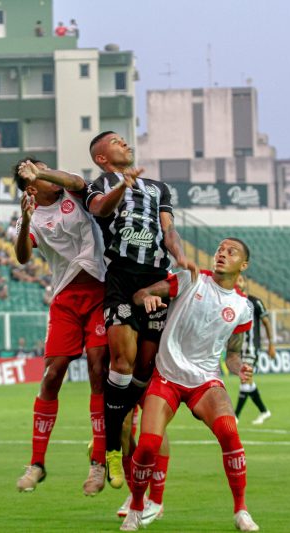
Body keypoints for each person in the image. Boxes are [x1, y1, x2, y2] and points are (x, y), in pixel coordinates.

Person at [120, 237, 259, 532]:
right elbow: (140, 294)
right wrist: (147, 298)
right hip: (167, 376)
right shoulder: (191, 278)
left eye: (230, 252)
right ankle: (135, 507)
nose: (222, 253)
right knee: (147, 445)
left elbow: (232, 354)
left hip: (205, 381)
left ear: (243, 265)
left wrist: (240, 368)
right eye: (219, 249)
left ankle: (241, 510)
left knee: (229, 432)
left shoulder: (243, 308)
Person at [85, 131, 197, 489]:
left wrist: (179, 254)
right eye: (117, 142)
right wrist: (123, 185)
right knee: (121, 363)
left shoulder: (158, 187)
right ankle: (112, 452)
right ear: (102, 157)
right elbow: (101, 209)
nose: (127, 145)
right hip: (120, 278)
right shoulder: (99, 184)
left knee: (146, 371)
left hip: (155, 280)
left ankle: (109, 434)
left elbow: (168, 230)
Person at [12, 158, 110, 495]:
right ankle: (36, 463)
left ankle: (98, 463)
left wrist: (38, 171)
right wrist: (25, 220)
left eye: (45, 169)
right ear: (30, 189)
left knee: (99, 368)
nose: (47, 173)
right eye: (38, 172)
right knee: (53, 374)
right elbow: (23, 256)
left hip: (99, 291)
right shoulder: (33, 216)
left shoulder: (72, 192)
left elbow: (77, 180)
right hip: (66, 299)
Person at [234, 275, 276, 425]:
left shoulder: (255, 302)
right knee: (247, 382)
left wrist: (271, 343)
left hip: (251, 348)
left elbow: (266, 322)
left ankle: (235, 416)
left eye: (240, 280)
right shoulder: (231, 302)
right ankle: (264, 411)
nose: (237, 283)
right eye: (235, 280)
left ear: (245, 283)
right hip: (238, 349)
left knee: (245, 380)